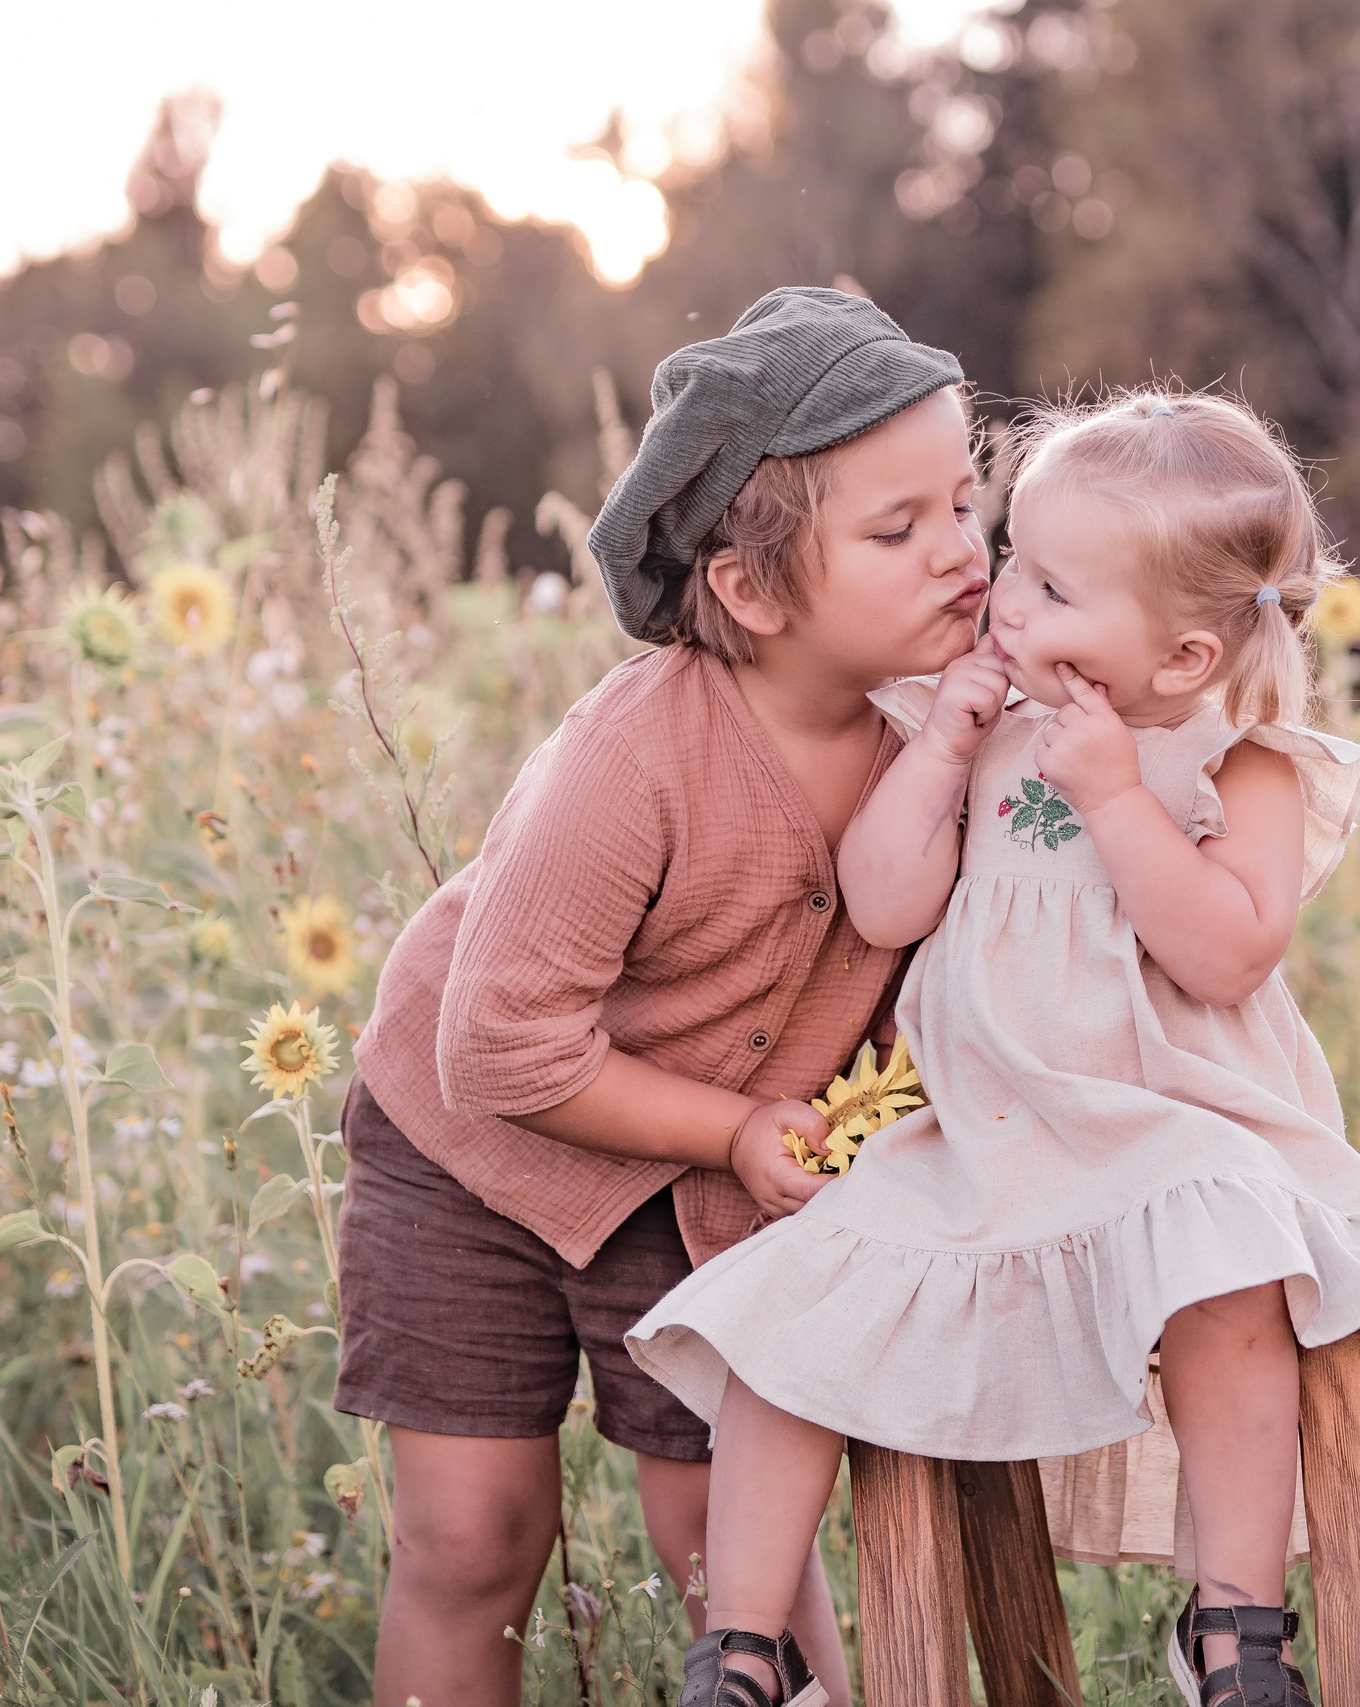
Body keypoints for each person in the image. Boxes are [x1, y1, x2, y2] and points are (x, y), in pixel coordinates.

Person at [631, 389, 1360, 1706]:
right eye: (1015, 562)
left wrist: (1114, 795)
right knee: (798, 1301)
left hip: (1177, 1132)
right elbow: (887, 904)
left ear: (1186, 657)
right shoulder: (979, 731)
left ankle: (1235, 1629)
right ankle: (745, 1649)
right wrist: (946, 751)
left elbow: (1226, 953)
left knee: (1230, 1268)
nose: (1005, 601)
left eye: (1053, 590)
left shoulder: (1237, 761)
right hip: (988, 1141)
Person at [336, 286, 989, 1707]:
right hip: (473, 1149)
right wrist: (745, 1126)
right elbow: (501, 1045)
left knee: (730, 1542)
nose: (962, 550)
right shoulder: (634, 759)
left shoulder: (952, 742)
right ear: (750, 592)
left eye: (967, 501)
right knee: (472, 1540)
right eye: (899, 529)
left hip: (709, 1186)